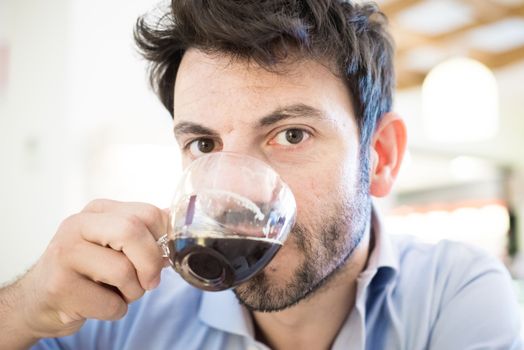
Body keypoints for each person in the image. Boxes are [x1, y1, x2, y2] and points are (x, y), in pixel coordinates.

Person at [0, 0, 521, 349]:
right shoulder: (126, 309)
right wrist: (27, 307)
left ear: (380, 157)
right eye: (204, 145)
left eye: (291, 135)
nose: (233, 192)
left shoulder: (454, 291)